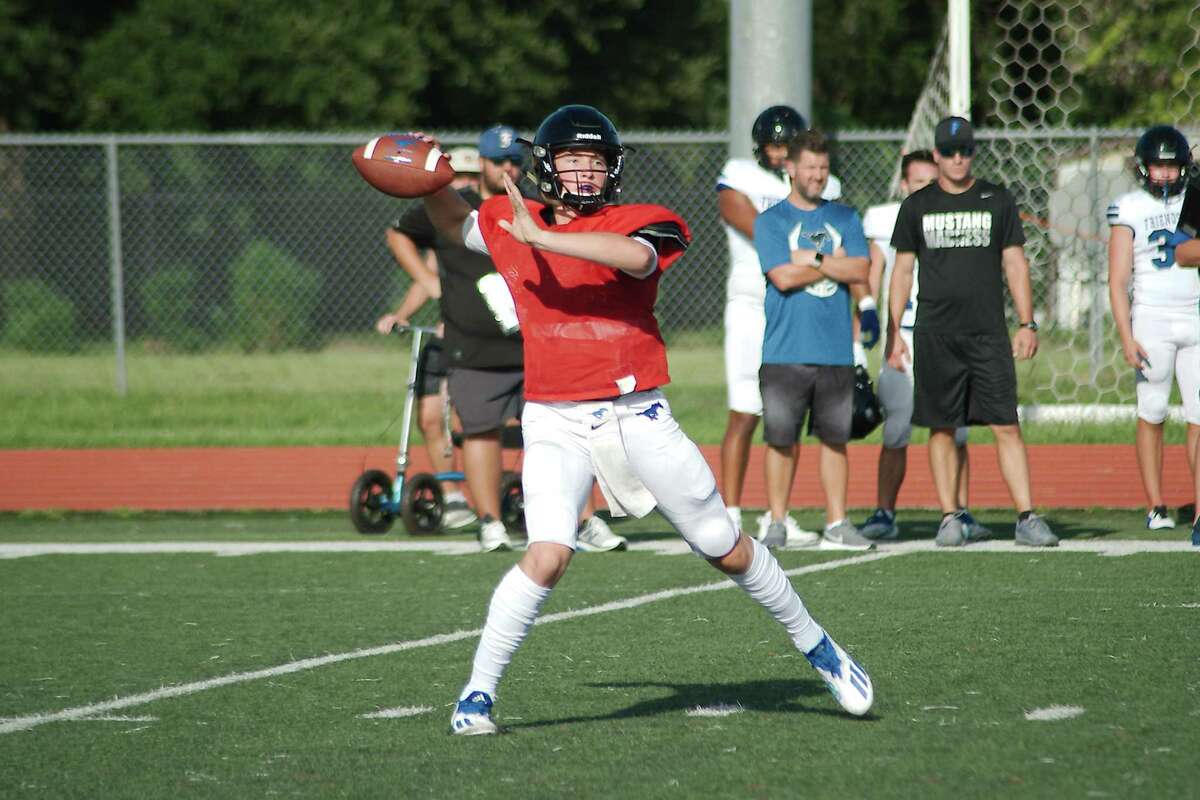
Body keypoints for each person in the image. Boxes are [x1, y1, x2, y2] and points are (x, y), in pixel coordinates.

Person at [416, 104, 874, 735]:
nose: (585, 173)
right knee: (547, 555)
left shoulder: (646, 221)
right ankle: (477, 694)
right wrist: (430, 177)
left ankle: (818, 645)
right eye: (574, 160)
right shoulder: (509, 217)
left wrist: (543, 238)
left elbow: (632, 259)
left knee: (723, 546)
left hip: (637, 412)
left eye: (596, 161)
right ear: (547, 166)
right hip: (554, 416)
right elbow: (456, 225)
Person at [378, 125, 628, 553]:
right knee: (480, 432)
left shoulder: (537, 207)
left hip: (538, 343)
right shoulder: (463, 208)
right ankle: (490, 521)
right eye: (498, 161)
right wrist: (427, 280)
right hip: (474, 343)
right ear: (483, 164)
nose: (507, 167)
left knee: (570, 433)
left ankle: (584, 520)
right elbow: (400, 230)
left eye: (515, 160)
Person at [886, 116, 1058, 547]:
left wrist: (1027, 321)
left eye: (965, 150)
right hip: (935, 333)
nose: (958, 158)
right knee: (941, 427)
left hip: (987, 333)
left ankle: (1026, 516)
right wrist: (893, 332)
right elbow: (902, 272)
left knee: (1006, 424)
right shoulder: (917, 206)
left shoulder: (996, 198)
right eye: (949, 151)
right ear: (938, 154)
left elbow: (1015, 262)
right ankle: (949, 517)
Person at [716, 105, 849, 547]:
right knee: (744, 410)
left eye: (784, 146)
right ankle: (729, 514)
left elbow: (836, 246)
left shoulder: (822, 184)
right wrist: (810, 252)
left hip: (801, 304)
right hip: (753, 301)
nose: (777, 155)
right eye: (771, 146)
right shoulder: (740, 174)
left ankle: (779, 514)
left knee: (789, 415)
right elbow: (758, 227)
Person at [752, 129, 875, 552]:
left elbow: (861, 270)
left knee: (835, 440)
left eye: (823, 168)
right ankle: (778, 521)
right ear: (791, 168)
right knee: (781, 441)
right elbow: (782, 277)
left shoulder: (844, 218)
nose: (817, 175)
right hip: (785, 349)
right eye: (810, 167)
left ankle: (837, 522)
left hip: (834, 349)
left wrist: (817, 258)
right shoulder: (771, 221)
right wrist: (834, 264)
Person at [858, 150, 989, 542]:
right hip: (908, 337)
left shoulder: (953, 217)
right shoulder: (885, 219)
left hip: (950, 336)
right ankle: (884, 510)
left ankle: (959, 510)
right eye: (918, 183)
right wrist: (877, 329)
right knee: (897, 429)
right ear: (903, 185)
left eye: (931, 182)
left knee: (958, 431)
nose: (926, 190)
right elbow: (872, 275)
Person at [1106, 125, 1199, 532]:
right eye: (1158, 166)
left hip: (1195, 314)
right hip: (1152, 317)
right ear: (1144, 168)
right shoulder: (1128, 207)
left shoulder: (1195, 199)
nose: (1165, 174)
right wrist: (1127, 336)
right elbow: (1117, 278)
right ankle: (1156, 504)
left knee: (1199, 415)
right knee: (1154, 410)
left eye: (1171, 166)